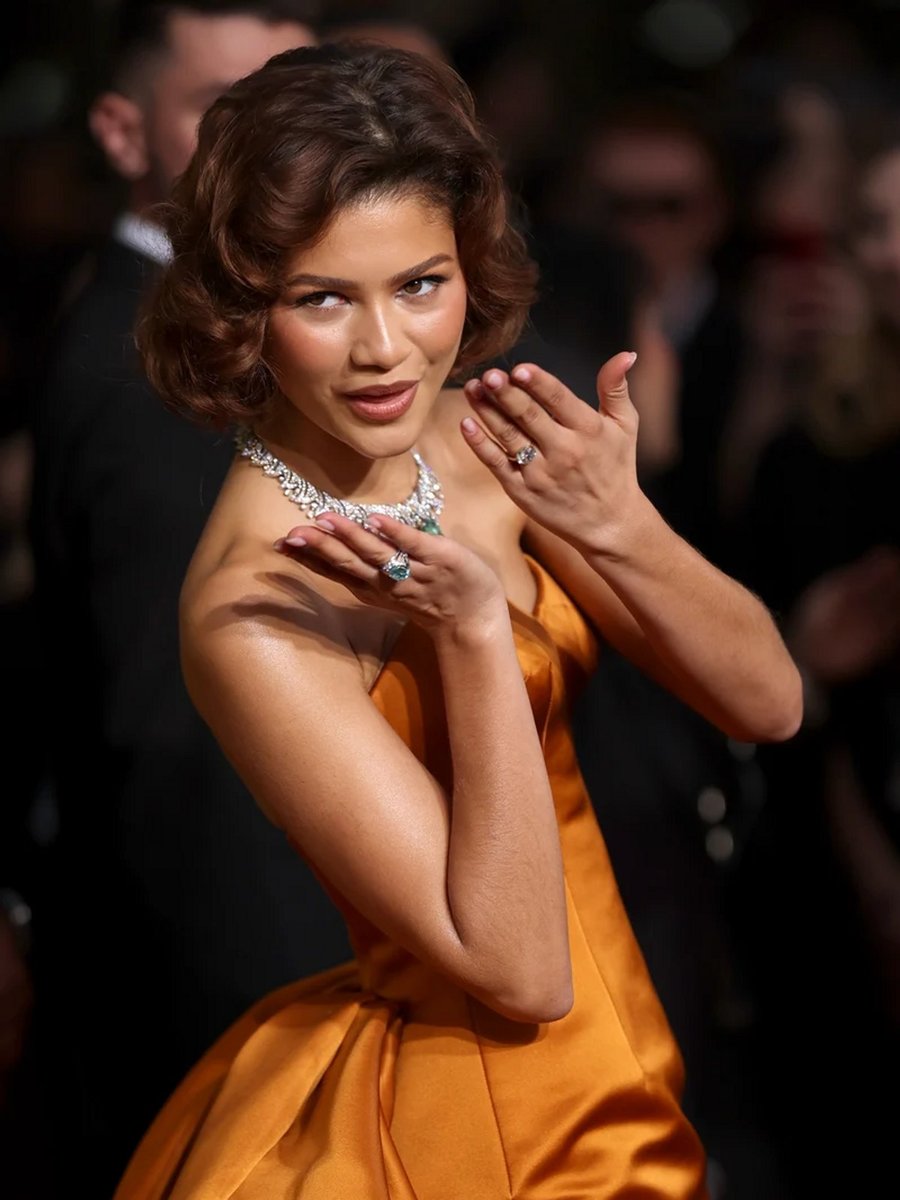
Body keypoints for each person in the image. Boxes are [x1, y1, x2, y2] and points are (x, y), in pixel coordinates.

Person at [112, 42, 802, 1198]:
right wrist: (476, 634)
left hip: (622, 1051)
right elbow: (519, 971)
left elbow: (768, 701)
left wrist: (620, 525)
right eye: (325, 298)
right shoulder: (251, 607)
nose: (388, 351)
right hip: (478, 1122)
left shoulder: (471, 429)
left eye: (420, 285)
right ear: (245, 311)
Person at [23, 3, 354, 1193]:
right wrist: (292, 1022)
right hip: (254, 1001)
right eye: (225, 107)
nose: (274, 139)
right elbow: (186, 733)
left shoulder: (208, 328)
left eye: (297, 99)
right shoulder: (149, 363)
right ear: (121, 132)